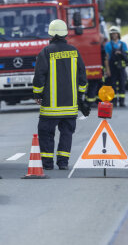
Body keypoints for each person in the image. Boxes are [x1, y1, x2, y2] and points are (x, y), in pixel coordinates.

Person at [33, 19, 89, 170]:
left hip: (50, 107)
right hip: (70, 106)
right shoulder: (74, 52)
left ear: (51, 35)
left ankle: (47, 163)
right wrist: (81, 95)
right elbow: (82, 76)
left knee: (46, 134)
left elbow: (39, 76)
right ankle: (63, 163)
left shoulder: (46, 52)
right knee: (67, 134)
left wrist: (37, 94)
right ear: (65, 35)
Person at [104, 26, 128, 106]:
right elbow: (106, 58)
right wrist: (107, 70)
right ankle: (114, 101)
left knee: (122, 84)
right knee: (112, 85)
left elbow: (127, 56)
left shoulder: (123, 44)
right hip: (112, 68)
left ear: (118, 34)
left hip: (121, 68)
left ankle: (122, 102)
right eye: (112, 34)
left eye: (115, 33)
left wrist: (121, 54)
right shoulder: (108, 45)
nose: (114, 35)